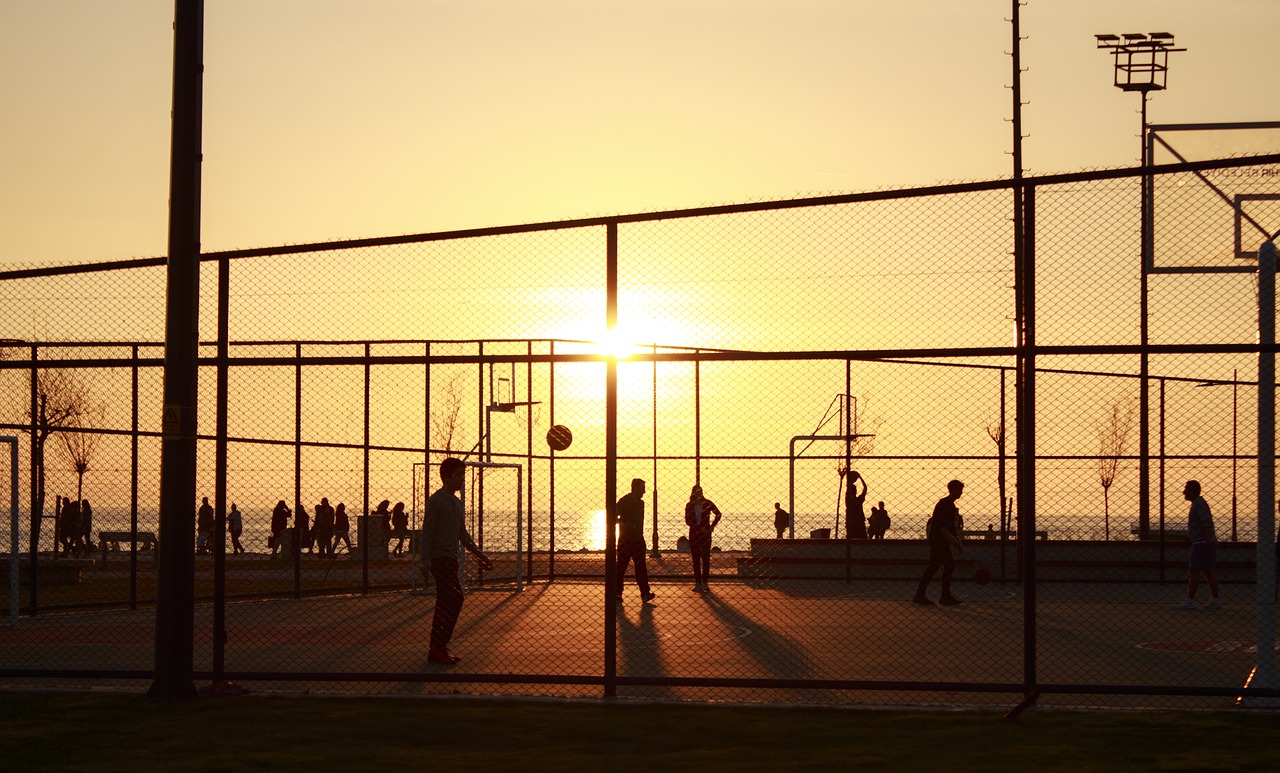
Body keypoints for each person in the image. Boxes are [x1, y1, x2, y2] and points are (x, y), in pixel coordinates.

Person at [420, 457, 492, 665]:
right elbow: (427, 531)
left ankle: (438, 647)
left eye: (463, 475)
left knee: (447, 601)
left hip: (451, 559)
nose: (462, 480)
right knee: (454, 598)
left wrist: (480, 555)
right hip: (439, 558)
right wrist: (425, 559)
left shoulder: (456, 502)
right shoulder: (436, 501)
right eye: (459, 475)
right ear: (447, 477)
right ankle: (437, 646)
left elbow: (462, 533)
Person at [913, 480, 965, 606]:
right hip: (938, 540)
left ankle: (925, 594)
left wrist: (957, 541)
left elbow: (951, 527)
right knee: (945, 565)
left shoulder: (950, 506)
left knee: (936, 566)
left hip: (941, 540)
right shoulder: (944, 504)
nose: (961, 493)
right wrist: (953, 541)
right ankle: (942, 596)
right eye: (959, 490)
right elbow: (941, 526)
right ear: (953, 490)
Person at [1175, 480, 1221, 610]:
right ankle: (1215, 599)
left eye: (1186, 489)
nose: (1184, 492)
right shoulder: (1199, 503)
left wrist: (1206, 542)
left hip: (1202, 544)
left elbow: (1205, 524)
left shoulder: (1198, 504)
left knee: (1194, 570)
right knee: (1208, 571)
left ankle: (1190, 600)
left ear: (1191, 490)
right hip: (1203, 542)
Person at [615, 478, 656, 604]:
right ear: (635, 488)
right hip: (625, 540)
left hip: (638, 539)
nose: (644, 491)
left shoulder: (641, 503)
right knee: (621, 567)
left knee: (641, 567)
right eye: (642, 488)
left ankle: (645, 593)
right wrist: (624, 524)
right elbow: (613, 516)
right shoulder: (624, 501)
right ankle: (617, 593)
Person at [684, 484, 722, 592]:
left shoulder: (708, 503)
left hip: (705, 534)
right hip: (694, 534)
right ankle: (698, 583)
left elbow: (718, 514)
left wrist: (712, 526)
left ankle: (705, 583)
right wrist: (699, 527)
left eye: (700, 492)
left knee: (705, 558)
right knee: (695, 559)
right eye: (696, 492)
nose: (698, 494)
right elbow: (687, 520)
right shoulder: (689, 505)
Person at [845, 470, 868, 539]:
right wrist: (860, 477)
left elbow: (865, 489)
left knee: (852, 537)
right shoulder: (858, 500)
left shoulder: (850, 502)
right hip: (858, 521)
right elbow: (865, 488)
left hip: (852, 521)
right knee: (861, 537)